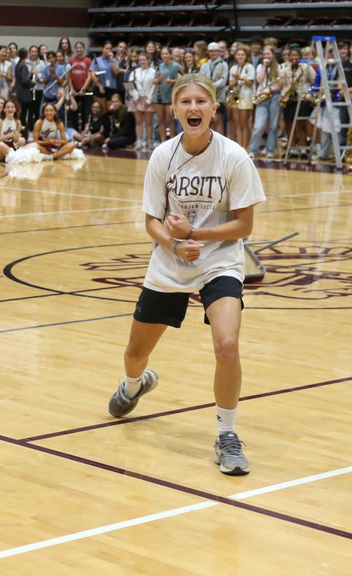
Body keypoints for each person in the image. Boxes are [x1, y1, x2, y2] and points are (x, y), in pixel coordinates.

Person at [105, 73, 266, 476]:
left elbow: (244, 225)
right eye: (186, 102)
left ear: (214, 108)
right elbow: (152, 222)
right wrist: (175, 245)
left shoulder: (235, 157)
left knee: (227, 344)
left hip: (220, 261)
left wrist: (194, 234)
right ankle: (134, 385)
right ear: (175, 109)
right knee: (135, 354)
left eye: (201, 101)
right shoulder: (163, 156)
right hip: (170, 262)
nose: (194, 108)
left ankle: (227, 436)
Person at [249, 46, 282, 158]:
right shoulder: (259, 66)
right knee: (259, 126)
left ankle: (270, 150)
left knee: (273, 125)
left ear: (273, 55)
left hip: (274, 96)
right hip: (262, 97)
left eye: (268, 54)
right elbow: (259, 80)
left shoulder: (279, 67)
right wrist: (264, 66)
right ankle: (253, 150)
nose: (266, 56)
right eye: (264, 55)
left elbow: (281, 85)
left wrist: (271, 89)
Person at [227, 44, 256, 150]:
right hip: (236, 96)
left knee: (244, 123)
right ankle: (239, 145)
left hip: (246, 96)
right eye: (238, 54)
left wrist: (240, 77)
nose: (240, 56)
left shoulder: (250, 67)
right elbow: (230, 85)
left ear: (246, 56)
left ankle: (245, 146)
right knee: (237, 122)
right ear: (235, 56)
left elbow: (250, 83)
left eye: (242, 55)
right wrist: (235, 79)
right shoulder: (233, 68)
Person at [199, 42, 229, 134]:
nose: (213, 53)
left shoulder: (224, 65)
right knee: (209, 120)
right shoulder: (204, 65)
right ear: (208, 52)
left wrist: (211, 86)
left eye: (215, 51)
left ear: (219, 52)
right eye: (211, 51)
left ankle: (220, 141)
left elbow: (223, 81)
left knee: (217, 120)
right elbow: (201, 79)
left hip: (218, 96)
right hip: (206, 96)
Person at [128, 52, 156, 148]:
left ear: (148, 60)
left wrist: (150, 99)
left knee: (149, 122)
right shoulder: (134, 72)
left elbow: (154, 86)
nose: (142, 62)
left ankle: (150, 140)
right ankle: (139, 141)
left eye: (144, 60)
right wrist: (135, 96)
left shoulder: (153, 72)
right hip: (137, 99)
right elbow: (129, 85)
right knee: (138, 122)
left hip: (148, 98)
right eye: (140, 60)